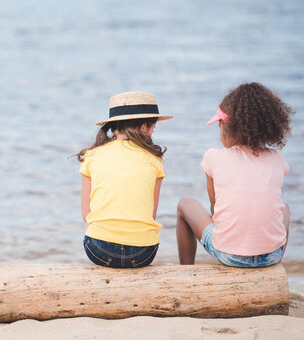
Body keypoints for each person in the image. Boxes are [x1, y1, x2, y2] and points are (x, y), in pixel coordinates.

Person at [176, 82, 293, 267]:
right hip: (272, 256)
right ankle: (272, 263)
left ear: (227, 126)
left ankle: (186, 270)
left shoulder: (213, 157)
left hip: (229, 256)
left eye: (219, 125)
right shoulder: (277, 158)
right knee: (285, 208)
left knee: (184, 204)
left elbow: (215, 211)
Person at [77, 92, 172, 268]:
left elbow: (86, 215)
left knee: (93, 226)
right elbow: (151, 215)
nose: (152, 133)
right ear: (144, 126)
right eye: (153, 128)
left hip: (98, 250)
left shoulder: (91, 155)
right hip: (144, 253)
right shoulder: (154, 158)